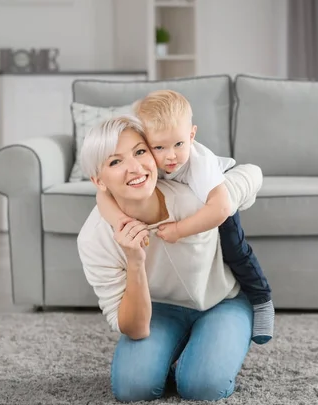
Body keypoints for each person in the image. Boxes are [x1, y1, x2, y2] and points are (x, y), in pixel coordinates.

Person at [76, 115, 263, 402]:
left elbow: (251, 174)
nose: (135, 168)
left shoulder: (196, 194)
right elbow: (135, 328)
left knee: (202, 387)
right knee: (132, 389)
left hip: (222, 301)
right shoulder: (94, 238)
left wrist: (219, 202)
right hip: (160, 310)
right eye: (116, 162)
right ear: (98, 181)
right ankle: (186, 348)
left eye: (140, 152)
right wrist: (134, 261)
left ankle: (206, 348)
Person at [95, 90, 274, 344]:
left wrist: (180, 230)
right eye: (159, 147)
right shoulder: (145, 160)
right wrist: (119, 221)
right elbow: (102, 196)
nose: (170, 156)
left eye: (179, 144)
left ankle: (261, 299)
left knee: (235, 250)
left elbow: (220, 209)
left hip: (215, 191)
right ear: (146, 144)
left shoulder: (200, 166)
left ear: (191, 135)